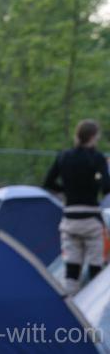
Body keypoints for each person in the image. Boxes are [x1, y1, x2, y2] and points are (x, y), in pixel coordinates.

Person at [44, 119, 110, 295]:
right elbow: (106, 188)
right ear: (93, 136)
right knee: (96, 266)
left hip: (70, 220)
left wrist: (67, 190)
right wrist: (95, 184)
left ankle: (70, 305)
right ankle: (92, 304)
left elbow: (48, 182)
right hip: (91, 220)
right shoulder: (97, 158)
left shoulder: (63, 156)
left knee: (71, 269)